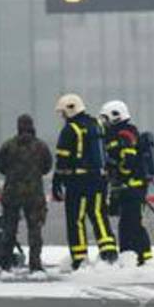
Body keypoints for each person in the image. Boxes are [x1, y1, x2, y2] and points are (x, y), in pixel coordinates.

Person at [52, 93, 118, 270]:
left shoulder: (70, 130)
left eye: (63, 113)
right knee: (99, 215)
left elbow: (62, 159)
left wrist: (57, 182)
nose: (63, 117)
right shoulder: (97, 124)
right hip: (99, 179)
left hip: (77, 182)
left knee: (76, 219)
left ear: (70, 109)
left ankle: (80, 258)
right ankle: (109, 253)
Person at [0, 114, 52, 272]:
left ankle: (5, 264)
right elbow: (47, 167)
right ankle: (35, 265)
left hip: (12, 193)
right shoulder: (41, 146)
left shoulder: (8, 145)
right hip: (34, 195)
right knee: (35, 230)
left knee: (9, 229)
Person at [100, 100, 153, 266]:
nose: (104, 123)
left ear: (116, 116)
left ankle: (142, 258)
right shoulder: (119, 134)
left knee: (132, 225)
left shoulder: (125, 134)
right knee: (127, 224)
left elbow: (127, 160)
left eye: (106, 119)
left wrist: (117, 172)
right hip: (128, 187)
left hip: (133, 187)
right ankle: (132, 256)